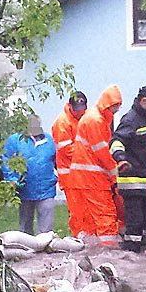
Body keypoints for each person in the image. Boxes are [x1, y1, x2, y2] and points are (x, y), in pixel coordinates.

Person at [68, 85, 122, 244]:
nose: (115, 111)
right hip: (93, 179)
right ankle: (109, 251)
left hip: (82, 178)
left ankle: (87, 250)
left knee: (86, 220)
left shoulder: (95, 118)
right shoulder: (96, 121)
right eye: (114, 107)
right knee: (105, 215)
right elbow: (103, 152)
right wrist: (115, 176)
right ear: (107, 104)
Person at [110, 86, 146, 253]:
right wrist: (121, 159)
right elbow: (116, 142)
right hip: (132, 182)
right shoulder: (131, 119)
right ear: (144, 101)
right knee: (135, 223)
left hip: (142, 183)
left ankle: (138, 254)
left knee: (143, 221)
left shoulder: (141, 120)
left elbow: (139, 141)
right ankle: (131, 255)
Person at [2, 114, 57, 235]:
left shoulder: (49, 141)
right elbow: (7, 160)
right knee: (25, 228)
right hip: (24, 189)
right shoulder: (15, 140)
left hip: (46, 188)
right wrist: (12, 179)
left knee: (46, 231)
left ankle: (45, 248)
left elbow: (57, 161)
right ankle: (27, 249)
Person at [51, 91, 88, 231]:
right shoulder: (62, 123)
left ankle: (86, 234)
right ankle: (78, 236)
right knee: (77, 211)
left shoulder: (84, 118)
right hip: (70, 175)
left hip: (82, 173)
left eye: (82, 109)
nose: (80, 112)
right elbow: (66, 150)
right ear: (70, 106)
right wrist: (88, 155)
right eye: (77, 109)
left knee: (86, 209)